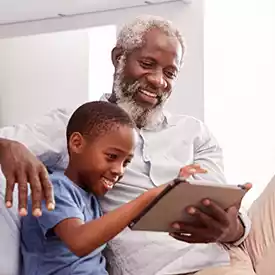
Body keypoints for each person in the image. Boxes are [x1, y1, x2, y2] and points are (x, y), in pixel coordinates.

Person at [0, 15, 274, 275]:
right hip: (177, 268)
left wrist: (232, 228)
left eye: (170, 72)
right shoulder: (76, 124)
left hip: (235, 248)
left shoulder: (195, 132)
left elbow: (220, 202)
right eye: (147, 64)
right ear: (119, 58)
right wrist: (5, 146)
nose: (158, 80)